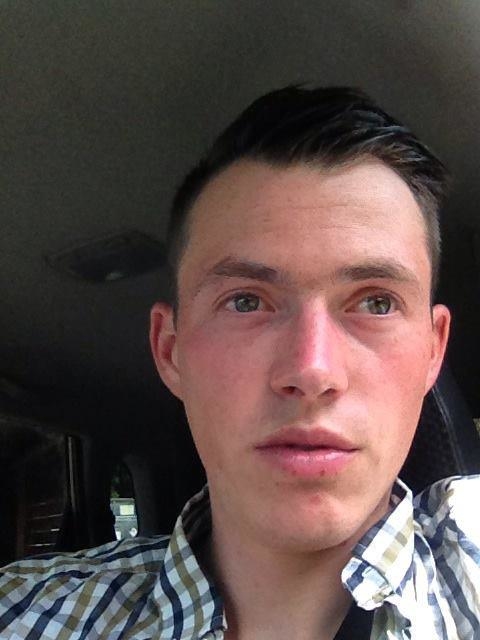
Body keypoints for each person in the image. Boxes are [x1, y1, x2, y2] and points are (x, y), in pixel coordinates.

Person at [0, 86, 479, 640]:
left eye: (376, 303)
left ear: (433, 350)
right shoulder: (22, 613)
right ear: (170, 350)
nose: (313, 371)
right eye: (246, 302)